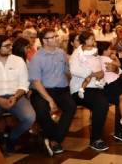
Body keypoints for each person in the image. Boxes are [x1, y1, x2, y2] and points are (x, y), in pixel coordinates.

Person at [69, 32, 122, 151]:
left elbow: (108, 66)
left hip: (101, 86)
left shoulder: (95, 52)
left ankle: (121, 132)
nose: (93, 42)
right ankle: (96, 139)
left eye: (93, 40)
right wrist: (93, 73)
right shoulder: (76, 55)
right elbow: (74, 70)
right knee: (101, 102)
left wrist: (116, 69)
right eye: (90, 40)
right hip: (82, 88)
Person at [28, 28, 76, 157]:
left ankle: (54, 139)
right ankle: (53, 137)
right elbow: (36, 82)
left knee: (71, 106)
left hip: (61, 89)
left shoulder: (61, 53)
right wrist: (50, 100)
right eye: (53, 37)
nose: (57, 39)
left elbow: (67, 71)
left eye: (56, 36)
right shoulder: (37, 58)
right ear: (44, 41)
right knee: (41, 110)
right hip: (42, 90)